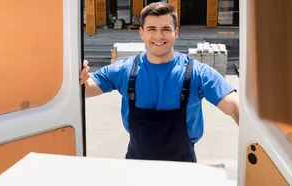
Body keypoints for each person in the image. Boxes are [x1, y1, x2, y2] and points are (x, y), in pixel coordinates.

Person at [79, 2, 239, 163]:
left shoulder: (198, 73)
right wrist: (80, 76)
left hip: (183, 169)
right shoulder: (123, 71)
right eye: (151, 29)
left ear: (176, 33)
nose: (158, 36)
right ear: (141, 33)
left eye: (166, 29)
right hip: (137, 167)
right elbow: (84, 90)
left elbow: (234, 106)